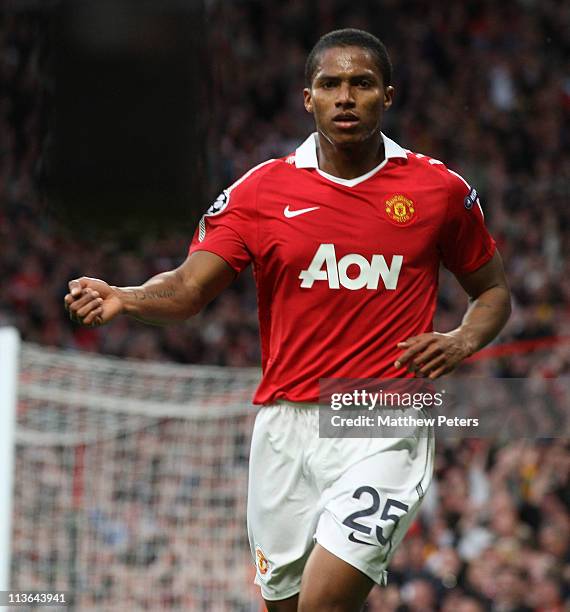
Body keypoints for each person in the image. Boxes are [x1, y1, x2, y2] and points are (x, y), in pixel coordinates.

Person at [65, 28, 511, 612]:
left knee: (323, 604)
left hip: (380, 421)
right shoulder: (260, 192)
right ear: (309, 98)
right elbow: (187, 288)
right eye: (331, 84)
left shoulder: (437, 190)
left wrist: (461, 339)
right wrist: (125, 296)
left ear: (388, 96)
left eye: (361, 84)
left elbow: (494, 290)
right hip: (282, 429)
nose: (345, 97)